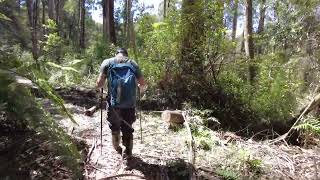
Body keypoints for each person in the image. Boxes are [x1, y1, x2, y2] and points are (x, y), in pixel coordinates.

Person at [96, 48, 145, 166]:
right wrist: (138, 88)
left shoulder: (107, 62)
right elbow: (142, 83)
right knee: (128, 127)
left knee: (114, 125)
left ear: (116, 54)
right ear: (126, 55)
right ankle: (128, 153)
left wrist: (101, 87)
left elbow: (99, 83)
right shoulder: (133, 63)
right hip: (129, 103)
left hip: (114, 104)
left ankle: (117, 147)